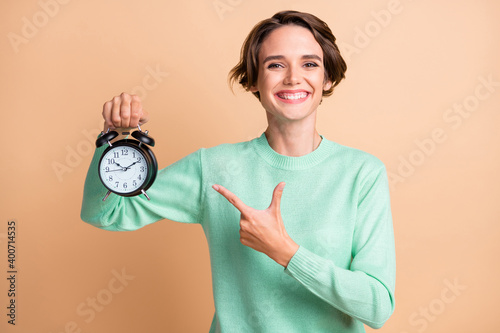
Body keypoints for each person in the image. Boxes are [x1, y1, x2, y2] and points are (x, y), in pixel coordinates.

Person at [81, 10, 396, 332]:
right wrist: (113, 141)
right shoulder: (213, 167)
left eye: (310, 64)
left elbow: (377, 308)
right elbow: (103, 214)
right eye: (275, 64)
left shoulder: (362, 173)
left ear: (327, 78)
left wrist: (286, 252)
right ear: (253, 81)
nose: (292, 77)